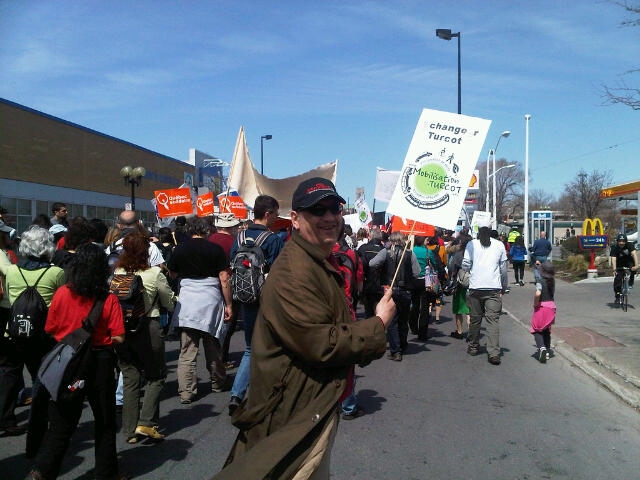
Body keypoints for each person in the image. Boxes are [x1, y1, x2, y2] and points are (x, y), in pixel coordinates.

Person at [213, 177, 395, 480]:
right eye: (316, 210)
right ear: (295, 219)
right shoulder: (294, 272)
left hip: (314, 403)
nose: (328, 217)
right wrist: (379, 324)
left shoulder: (318, 260)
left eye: (334, 208)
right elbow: (323, 343)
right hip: (293, 411)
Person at [26, 243, 127, 480]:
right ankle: (106, 473)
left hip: (68, 360)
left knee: (61, 423)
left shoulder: (62, 293)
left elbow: (51, 328)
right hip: (100, 360)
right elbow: (119, 336)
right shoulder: (108, 298)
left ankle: (42, 470)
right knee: (104, 420)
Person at [2, 226, 65, 443]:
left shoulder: (12, 270)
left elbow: (11, 300)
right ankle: (43, 419)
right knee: (42, 376)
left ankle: (6, 417)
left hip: (14, 331)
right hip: (43, 333)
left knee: (10, 374)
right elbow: (60, 301)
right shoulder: (55, 272)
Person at [113, 232, 176, 444]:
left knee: (130, 377)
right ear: (146, 251)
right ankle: (146, 422)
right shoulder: (153, 273)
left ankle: (130, 430)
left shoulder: (118, 272)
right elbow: (169, 302)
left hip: (122, 328)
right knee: (156, 375)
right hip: (148, 325)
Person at [227, 196, 284, 415]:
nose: (277, 219)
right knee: (272, 346)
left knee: (250, 348)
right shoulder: (272, 239)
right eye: (276, 215)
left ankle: (236, 394)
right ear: (267, 214)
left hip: (245, 297)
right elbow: (279, 273)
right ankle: (267, 394)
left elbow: (232, 262)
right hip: (267, 299)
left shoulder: (239, 235)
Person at [167, 217, 232, 404]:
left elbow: (172, 273)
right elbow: (224, 278)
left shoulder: (180, 249)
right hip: (210, 299)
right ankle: (218, 381)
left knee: (187, 349)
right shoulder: (215, 249)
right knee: (213, 344)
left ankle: (187, 391)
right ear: (206, 231)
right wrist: (229, 304)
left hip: (188, 301)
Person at [462, 218, 509, 365]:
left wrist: (471, 269)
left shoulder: (471, 244)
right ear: (490, 231)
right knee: (492, 320)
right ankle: (494, 353)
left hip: (476, 287)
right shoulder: (499, 245)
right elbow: (503, 269)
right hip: (493, 288)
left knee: (475, 319)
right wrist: (504, 286)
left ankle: (473, 346)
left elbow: (465, 265)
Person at [369, 231, 420, 361]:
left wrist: (382, 267)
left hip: (390, 290)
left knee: (392, 321)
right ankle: (402, 345)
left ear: (391, 240)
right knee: (403, 320)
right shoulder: (410, 253)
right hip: (405, 290)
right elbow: (417, 272)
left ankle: (396, 350)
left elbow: (372, 263)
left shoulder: (385, 252)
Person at [408, 235, 437, 341]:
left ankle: (413, 326)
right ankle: (422, 333)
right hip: (425, 281)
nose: (428, 240)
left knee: (414, 304)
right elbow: (434, 264)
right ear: (422, 240)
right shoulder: (427, 252)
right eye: (426, 238)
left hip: (413, 280)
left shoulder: (412, 250)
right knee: (424, 307)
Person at [530, 261, 556, 363]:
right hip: (551, 307)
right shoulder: (552, 281)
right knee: (546, 330)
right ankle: (548, 351)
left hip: (542, 307)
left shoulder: (540, 281)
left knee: (536, 329)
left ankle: (542, 348)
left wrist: (535, 303)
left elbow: (538, 293)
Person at [357, 227, 385, 318]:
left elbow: (360, 266)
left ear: (370, 236)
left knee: (368, 312)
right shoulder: (385, 250)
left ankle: (370, 329)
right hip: (380, 285)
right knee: (379, 313)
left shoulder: (363, 248)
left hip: (367, 284)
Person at [448, 233, 472, 340]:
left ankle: (460, 331)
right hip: (472, 284)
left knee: (458, 309)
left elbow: (451, 267)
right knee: (470, 310)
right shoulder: (474, 255)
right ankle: (471, 334)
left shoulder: (458, 254)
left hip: (459, 284)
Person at [610, 233, 638, 304]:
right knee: (617, 280)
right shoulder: (614, 247)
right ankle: (617, 296)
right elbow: (613, 259)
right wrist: (614, 269)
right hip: (619, 263)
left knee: (632, 269)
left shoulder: (630, 245)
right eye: (619, 241)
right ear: (617, 241)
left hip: (629, 262)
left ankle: (630, 283)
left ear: (625, 241)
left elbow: (634, 254)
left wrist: (636, 266)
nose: (621, 243)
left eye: (623, 241)